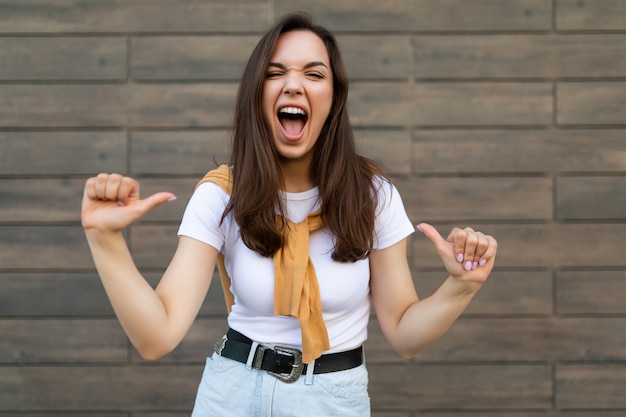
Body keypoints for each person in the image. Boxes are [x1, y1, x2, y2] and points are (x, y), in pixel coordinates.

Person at [81, 12, 497, 416]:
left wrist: (461, 286)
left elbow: (405, 335)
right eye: (275, 73)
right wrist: (105, 239)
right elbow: (157, 337)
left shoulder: (374, 196)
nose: (294, 85)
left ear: (333, 99)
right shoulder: (222, 194)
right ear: (256, 94)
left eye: (314, 75)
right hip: (231, 393)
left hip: (332, 399)